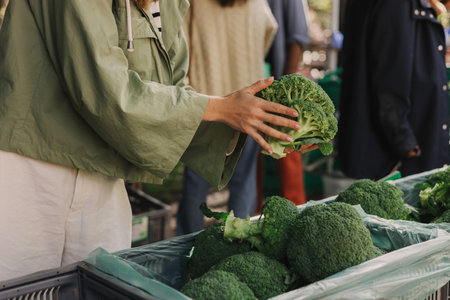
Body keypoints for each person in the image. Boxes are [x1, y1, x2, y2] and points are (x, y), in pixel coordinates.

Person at [0, 0, 309, 281]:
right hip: (33, 169)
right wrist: (219, 107)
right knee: (19, 285)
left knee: (103, 286)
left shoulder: (172, 4)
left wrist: (261, 123)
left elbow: (171, 92)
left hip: (104, 169)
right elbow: (107, 91)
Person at [176, 0, 278, 235]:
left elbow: (179, 44)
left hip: (207, 104)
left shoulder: (194, 3)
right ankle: (236, 250)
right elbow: (269, 30)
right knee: (244, 183)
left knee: (195, 187)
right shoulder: (256, 2)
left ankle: (185, 253)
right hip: (250, 105)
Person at [338, 0, 450, 180]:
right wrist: (405, 144)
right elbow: (391, 80)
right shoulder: (397, 4)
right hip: (395, 159)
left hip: (382, 151)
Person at [257, 0, 311, 208]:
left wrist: (286, 90)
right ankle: (251, 217)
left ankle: (297, 212)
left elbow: (298, 37)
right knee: (250, 160)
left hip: (279, 85)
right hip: (250, 88)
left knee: (288, 152)